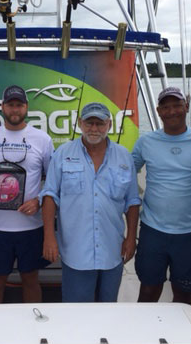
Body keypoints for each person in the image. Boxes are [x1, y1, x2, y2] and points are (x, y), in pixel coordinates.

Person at [41, 102, 141, 302]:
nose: (94, 129)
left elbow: (132, 202)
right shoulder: (62, 153)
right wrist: (49, 237)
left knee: (108, 306)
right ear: (80, 123)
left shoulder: (124, 156)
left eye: (99, 123)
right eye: (89, 123)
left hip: (112, 249)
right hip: (76, 251)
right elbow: (50, 196)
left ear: (109, 125)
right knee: (76, 310)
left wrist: (131, 238)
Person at [131, 87, 191, 304]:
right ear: (158, 111)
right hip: (152, 231)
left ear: (186, 106)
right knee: (148, 290)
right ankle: (143, 335)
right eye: (166, 107)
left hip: (189, 234)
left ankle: (181, 337)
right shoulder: (146, 142)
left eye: (177, 105)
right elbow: (126, 171)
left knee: (184, 294)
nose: (172, 111)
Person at [0, 85, 54, 303]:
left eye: (19, 105)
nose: (15, 109)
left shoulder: (42, 139)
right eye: (10, 105)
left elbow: (54, 181)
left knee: (30, 278)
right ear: (2, 107)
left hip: (31, 226)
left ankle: (33, 327)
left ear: (26, 107)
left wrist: (38, 201)